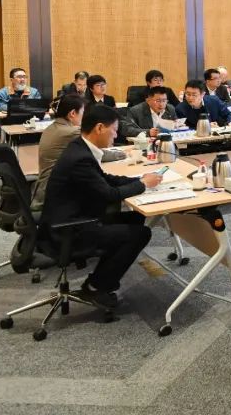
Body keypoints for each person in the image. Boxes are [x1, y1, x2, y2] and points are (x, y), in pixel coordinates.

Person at [41, 105, 161, 308]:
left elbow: (104, 179)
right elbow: (109, 195)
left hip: (74, 217)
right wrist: (142, 185)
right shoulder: (81, 158)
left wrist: (139, 179)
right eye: (114, 130)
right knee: (140, 234)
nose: (116, 135)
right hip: (69, 228)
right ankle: (97, 287)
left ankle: (101, 277)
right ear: (99, 128)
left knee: (134, 218)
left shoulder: (79, 147)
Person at [31, 94, 85, 211]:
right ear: (72, 113)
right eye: (83, 112)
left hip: (44, 188)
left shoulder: (51, 128)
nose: (84, 116)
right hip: (55, 193)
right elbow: (98, 152)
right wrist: (123, 153)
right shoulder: (72, 132)